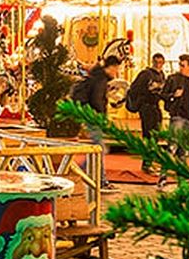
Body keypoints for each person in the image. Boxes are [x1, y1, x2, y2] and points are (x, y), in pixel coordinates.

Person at [72, 54, 122, 188]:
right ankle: (100, 179)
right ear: (111, 67)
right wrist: (102, 117)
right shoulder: (100, 80)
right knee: (99, 149)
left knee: (98, 148)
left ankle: (83, 172)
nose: (116, 72)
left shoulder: (96, 76)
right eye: (116, 68)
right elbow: (97, 100)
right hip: (94, 117)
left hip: (90, 116)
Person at [126, 53, 168, 182]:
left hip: (156, 107)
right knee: (149, 136)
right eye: (156, 62)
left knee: (155, 136)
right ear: (153, 62)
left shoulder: (161, 75)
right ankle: (146, 164)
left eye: (161, 62)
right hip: (146, 107)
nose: (158, 64)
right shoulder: (145, 74)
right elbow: (134, 89)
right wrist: (148, 90)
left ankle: (150, 162)